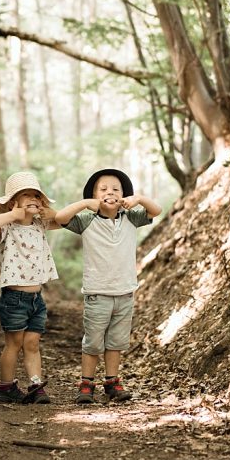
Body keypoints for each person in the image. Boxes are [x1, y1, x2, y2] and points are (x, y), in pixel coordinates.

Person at [54, 168, 162, 403]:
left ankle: (112, 382)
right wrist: (85, 203)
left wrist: (139, 199)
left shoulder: (131, 217)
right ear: (94, 195)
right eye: (102, 189)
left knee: (116, 342)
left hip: (125, 292)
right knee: (93, 342)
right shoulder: (86, 220)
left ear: (123, 195)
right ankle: (86, 384)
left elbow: (157, 210)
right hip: (97, 293)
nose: (109, 193)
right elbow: (60, 218)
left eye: (115, 189)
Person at [0, 171, 62, 404]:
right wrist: (13, 214)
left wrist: (51, 211)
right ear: (13, 202)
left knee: (33, 343)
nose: (32, 198)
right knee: (14, 344)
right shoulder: (8, 227)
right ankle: (5, 387)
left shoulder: (40, 225)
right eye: (25, 194)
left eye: (36, 195)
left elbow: (65, 220)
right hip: (13, 298)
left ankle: (36, 385)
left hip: (37, 298)